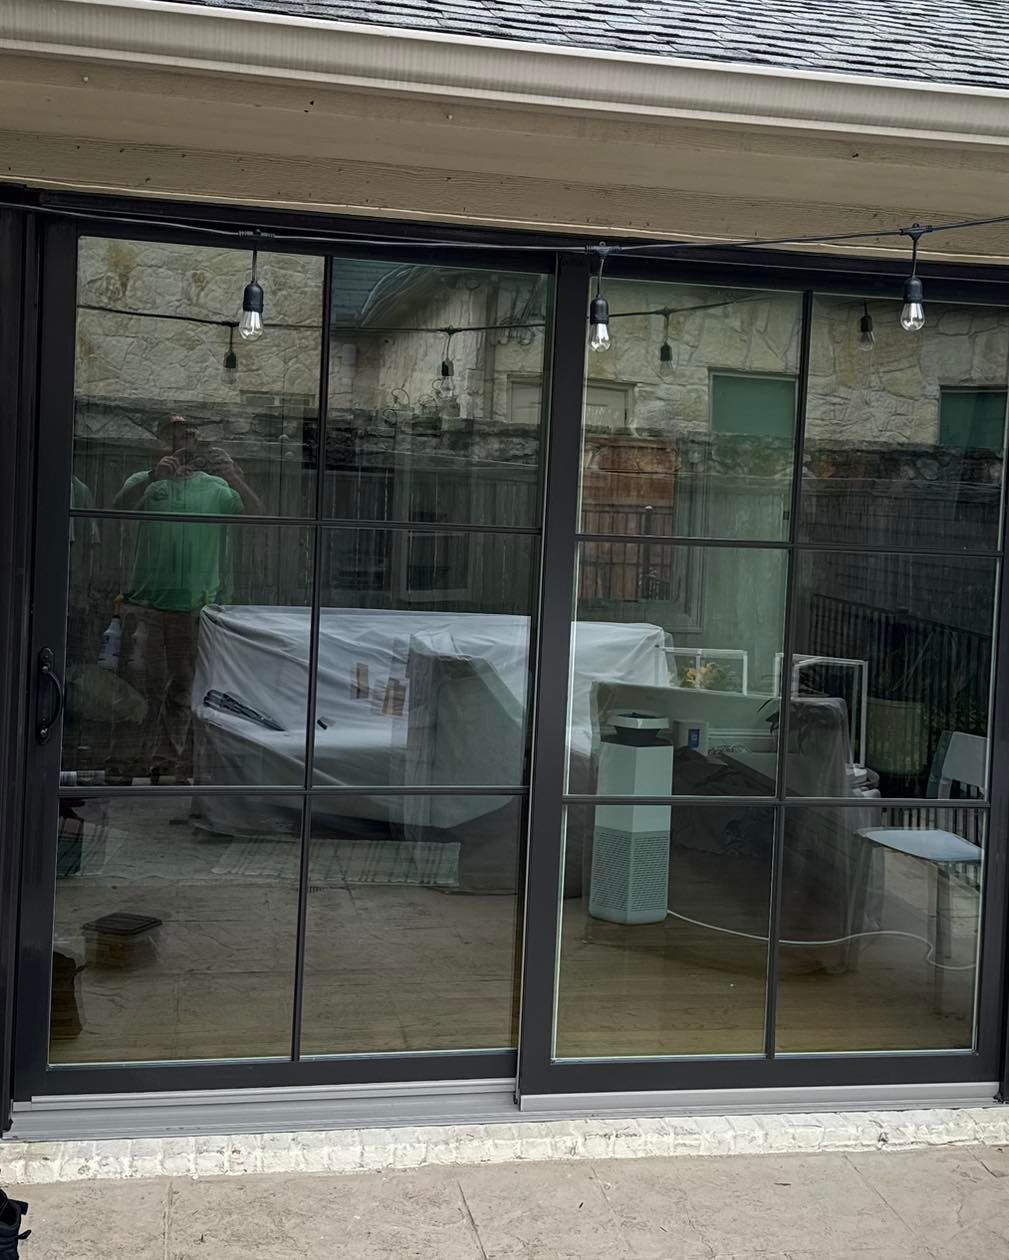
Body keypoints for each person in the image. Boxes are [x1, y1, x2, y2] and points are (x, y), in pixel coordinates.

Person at [111, 415, 261, 782]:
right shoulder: (145, 482)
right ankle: (123, 763)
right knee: (136, 687)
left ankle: (165, 764)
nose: (180, 442)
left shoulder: (214, 488)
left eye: (187, 436)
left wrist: (231, 473)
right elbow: (115, 511)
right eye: (172, 436)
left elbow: (256, 514)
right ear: (159, 444)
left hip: (192, 607)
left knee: (181, 687)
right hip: (145, 603)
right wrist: (152, 477)